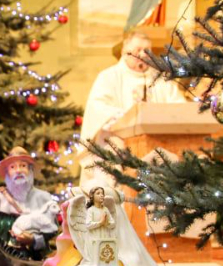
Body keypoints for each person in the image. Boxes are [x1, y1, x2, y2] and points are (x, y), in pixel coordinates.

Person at [80, 30, 189, 185]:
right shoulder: (109, 77)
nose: (143, 54)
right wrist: (125, 117)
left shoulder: (161, 80)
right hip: (119, 138)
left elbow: (179, 107)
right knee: (109, 150)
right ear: (125, 52)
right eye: (138, 50)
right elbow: (98, 107)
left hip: (157, 138)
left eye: (147, 50)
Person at [0, 145, 60, 260]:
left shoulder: (43, 198)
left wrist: (33, 240)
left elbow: (52, 233)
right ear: (7, 173)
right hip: (1, 262)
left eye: (23, 166)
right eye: (13, 167)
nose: (18, 171)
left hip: (33, 261)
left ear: (30, 170)